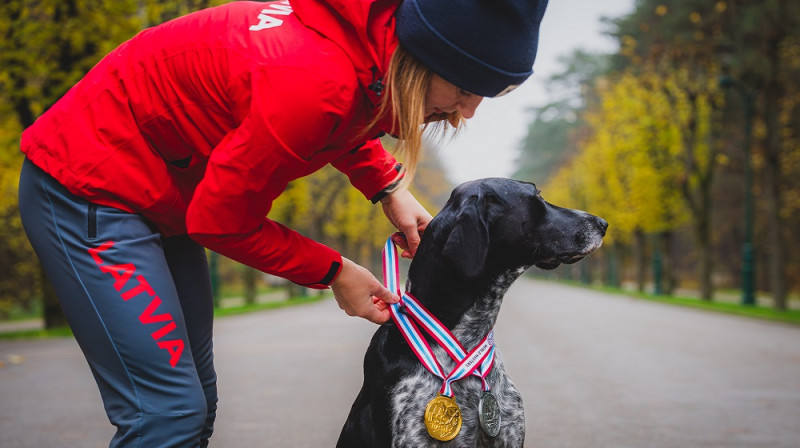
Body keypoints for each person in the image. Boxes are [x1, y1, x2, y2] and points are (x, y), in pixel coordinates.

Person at [17, 0, 548, 446]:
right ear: (423, 57)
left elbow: (350, 110)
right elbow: (221, 219)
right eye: (464, 89)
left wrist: (389, 187)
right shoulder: (310, 81)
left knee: (195, 402)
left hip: (161, 197)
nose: (468, 111)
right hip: (89, 186)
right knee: (166, 413)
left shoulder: (368, 45)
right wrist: (334, 270)